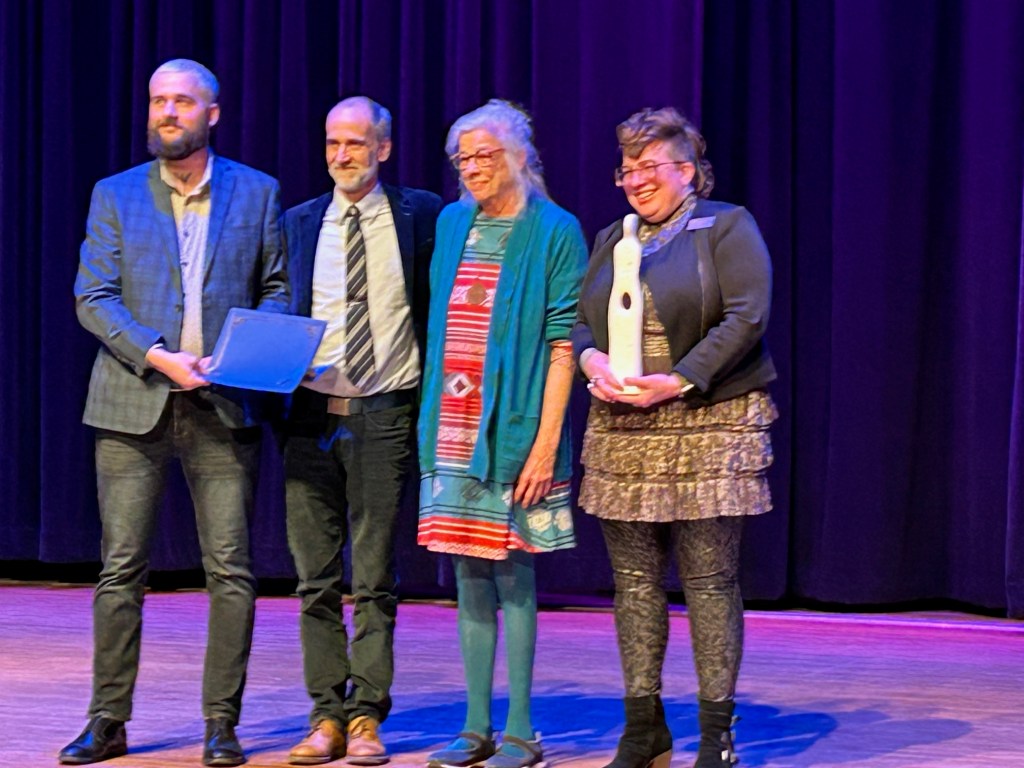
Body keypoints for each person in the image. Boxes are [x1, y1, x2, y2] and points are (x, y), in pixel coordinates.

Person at [62, 59, 289, 767]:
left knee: (230, 570)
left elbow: (277, 289)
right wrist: (159, 355)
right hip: (133, 400)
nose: (167, 112)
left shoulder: (257, 193)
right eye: (159, 100)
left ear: (211, 113)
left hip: (221, 404)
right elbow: (92, 296)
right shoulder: (116, 193)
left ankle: (221, 722)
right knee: (120, 568)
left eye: (182, 101)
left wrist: (240, 354)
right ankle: (107, 720)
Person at [571, 107, 778, 768]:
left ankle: (716, 734)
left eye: (650, 167)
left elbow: (748, 314)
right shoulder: (613, 237)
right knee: (633, 583)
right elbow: (579, 321)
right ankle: (644, 728)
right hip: (624, 428)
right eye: (627, 169)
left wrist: (680, 379)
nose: (636, 180)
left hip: (709, 421)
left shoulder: (726, 226)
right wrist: (591, 362)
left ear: (687, 171)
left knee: (710, 580)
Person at [417, 100, 586, 768]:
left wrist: (545, 445)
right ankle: (474, 724)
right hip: (454, 429)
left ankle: (521, 729)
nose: (473, 168)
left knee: (514, 574)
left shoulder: (556, 230)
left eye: (486, 154)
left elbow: (562, 344)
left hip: (517, 431)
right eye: (463, 158)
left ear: (519, 154)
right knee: (467, 574)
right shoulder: (452, 221)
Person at [281, 97, 442, 766]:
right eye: (331, 143)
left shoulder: (423, 216)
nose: (341, 155)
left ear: (383, 148)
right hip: (311, 416)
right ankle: (325, 715)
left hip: (384, 414)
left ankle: (367, 715)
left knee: (373, 577)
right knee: (314, 580)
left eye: (355, 143)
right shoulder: (297, 223)